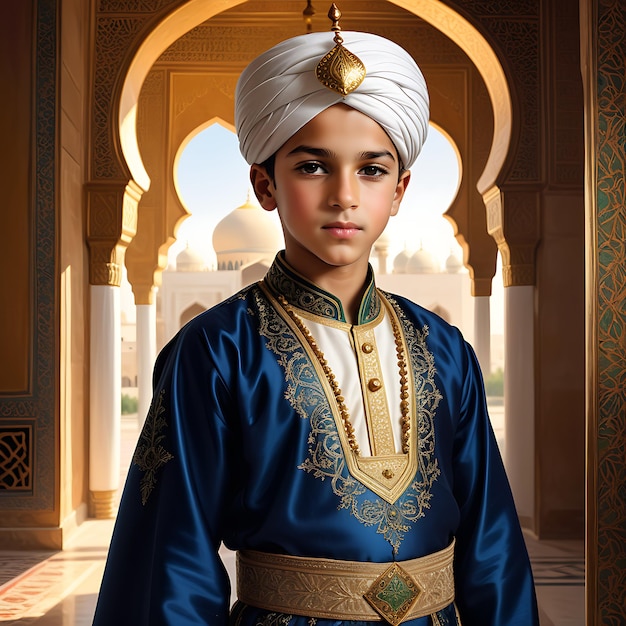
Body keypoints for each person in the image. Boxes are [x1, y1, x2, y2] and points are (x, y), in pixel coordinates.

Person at [93, 5, 539, 625]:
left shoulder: (443, 348)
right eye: (311, 166)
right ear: (265, 184)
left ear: (401, 189)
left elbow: (493, 547)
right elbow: (173, 559)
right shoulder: (218, 351)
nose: (344, 195)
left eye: (372, 170)